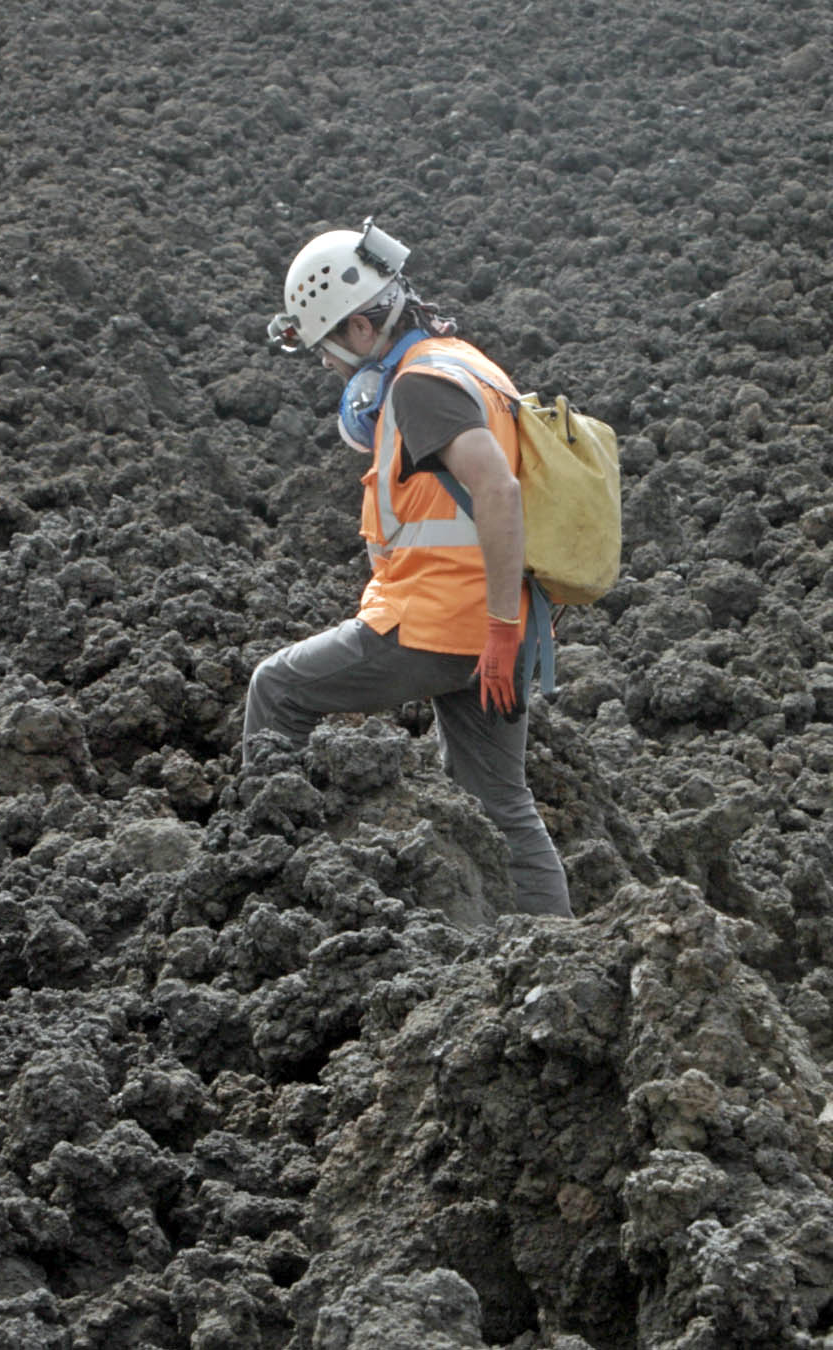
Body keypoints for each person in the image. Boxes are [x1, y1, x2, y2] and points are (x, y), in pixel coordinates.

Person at [246, 218, 571, 917]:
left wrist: (497, 628)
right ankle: (559, 951)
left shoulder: (419, 386)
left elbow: (498, 489)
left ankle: (264, 883)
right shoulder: (465, 361)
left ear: (362, 328)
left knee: (277, 690)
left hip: (442, 625)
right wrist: (504, 631)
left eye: (328, 348)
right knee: (502, 804)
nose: (329, 367)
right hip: (497, 628)